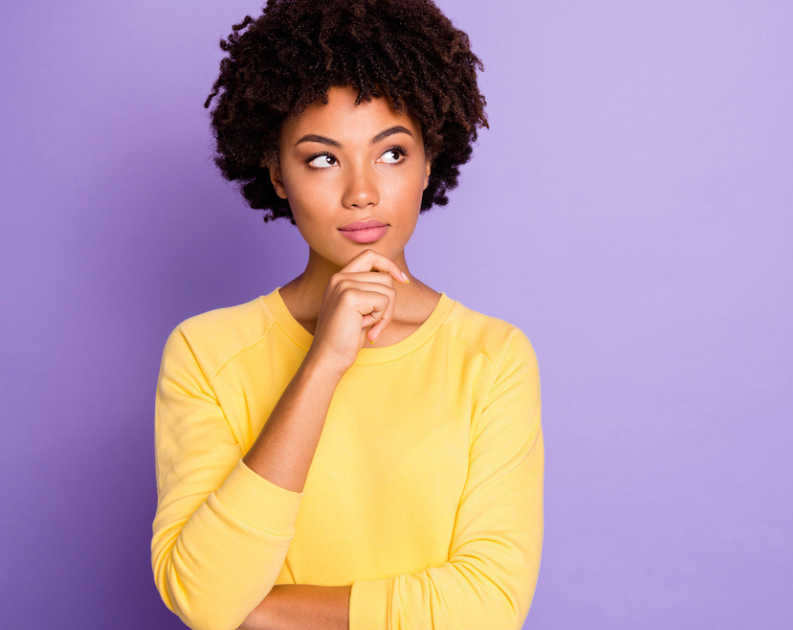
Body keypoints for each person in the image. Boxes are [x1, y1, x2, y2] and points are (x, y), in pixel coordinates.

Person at [149, 1, 544, 629]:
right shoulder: (206, 352)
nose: (361, 190)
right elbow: (203, 597)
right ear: (277, 173)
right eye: (323, 158)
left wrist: (271, 615)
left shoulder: (491, 358)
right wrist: (323, 364)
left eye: (390, 153)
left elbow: (490, 607)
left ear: (428, 161)